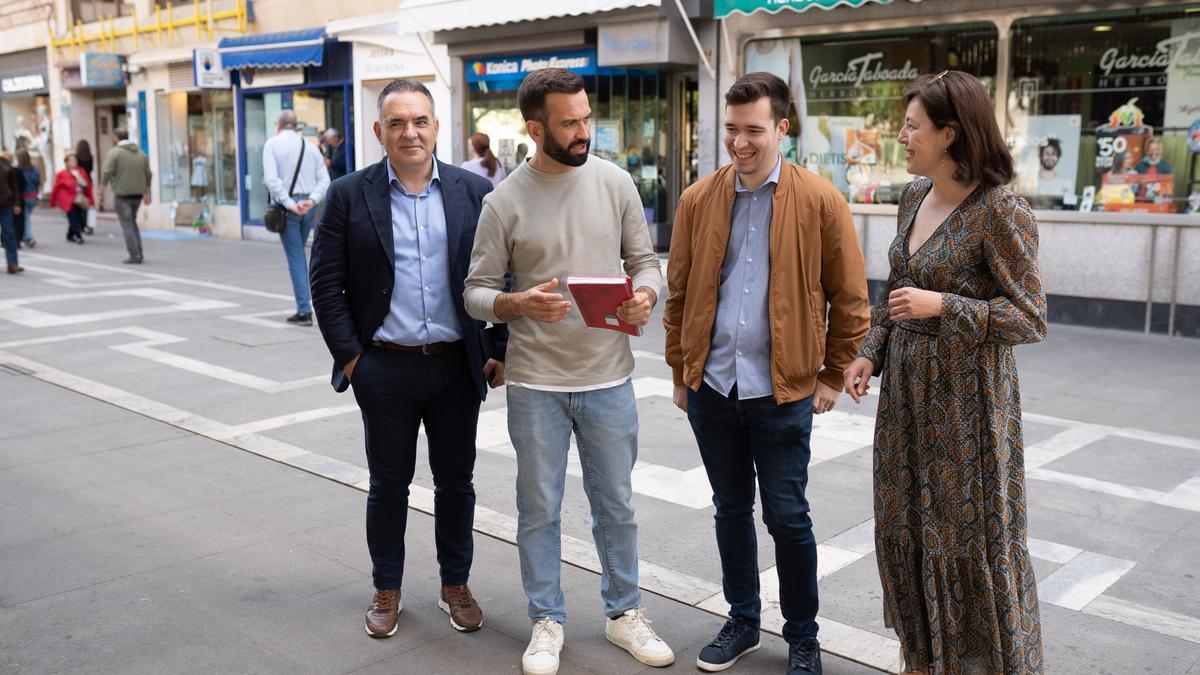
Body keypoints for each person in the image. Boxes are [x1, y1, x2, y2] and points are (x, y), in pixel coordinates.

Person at [464, 67, 673, 675]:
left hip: (609, 376)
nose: (584, 131)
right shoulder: (502, 202)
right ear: (535, 128)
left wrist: (646, 296)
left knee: (618, 507)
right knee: (540, 509)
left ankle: (623, 614)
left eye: (587, 118)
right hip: (535, 385)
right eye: (570, 122)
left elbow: (647, 263)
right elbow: (475, 291)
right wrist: (514, 304)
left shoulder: (615, 182)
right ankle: (546, 620)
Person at [664, 72, 870, 675]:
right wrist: (682, 372)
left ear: (782, 127)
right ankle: (743, 620)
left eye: (753, 130)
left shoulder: (821, 200)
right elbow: (680, 295)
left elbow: (851, 298)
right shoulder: (698, 199)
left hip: (783, 390)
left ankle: (803, 634)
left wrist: (831, 377)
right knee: (729, 508)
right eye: (731, 129)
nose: (740, 142)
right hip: (714, 386)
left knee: (787, 516)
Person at [843, 70, 1046, 674]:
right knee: (905, 528)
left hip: (968, 409)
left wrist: (947, 307)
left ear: (950, 133)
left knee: (967, 542)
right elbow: (898, 289)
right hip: (905, 399)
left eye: (912, 126)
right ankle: (922, 658)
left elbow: (1031, 317)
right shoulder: (913, 196)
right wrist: (869, 351)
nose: (901, 136)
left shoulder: (999, 210)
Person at [310, 78, 506, 642]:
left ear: (436, 127)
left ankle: (456, 586)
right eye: (396, 123)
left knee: (456, 484)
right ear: (379, 131)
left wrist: (496, 348)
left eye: (419, 121)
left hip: (454, 367)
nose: (409, 132)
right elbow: (327, 285)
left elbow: (499, 275)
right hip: (384, 367)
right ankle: (387, 588)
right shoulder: (349, 193)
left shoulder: (473, 192)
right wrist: (352, 361)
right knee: (388, 485)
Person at [262, 110, 330, 326]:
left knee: (296, 258)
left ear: (278, 124)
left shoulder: (272, 145)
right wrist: (311, 201)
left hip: (289, 208)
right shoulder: (310, 147)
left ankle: (304, 310)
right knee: (300, 255)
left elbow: (272, 181)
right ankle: (307, 306)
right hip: (308, 208)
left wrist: (292, 204)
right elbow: (324, 180)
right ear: (295, 126)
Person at [100, 128, 153, 264]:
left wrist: (101, 192)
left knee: (127, 224)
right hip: (137, 195)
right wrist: (147, 193)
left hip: (122, 195)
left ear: (116, 138)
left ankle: (134, 254)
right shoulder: (140, 153)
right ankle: (139, 252)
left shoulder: (114, 153)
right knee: (132, 222)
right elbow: (148, 174)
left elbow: (106, 172)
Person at [51, 152, 93, 245]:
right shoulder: (62, 174)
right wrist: (53, 201)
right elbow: (56, 188)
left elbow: (88, 186)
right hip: (68, 199)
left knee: (79, 217)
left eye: (75, 160)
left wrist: (91, 199)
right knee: (73, 217)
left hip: (80, 198)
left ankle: (70, 235)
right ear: (67, 163)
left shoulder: (81, 171)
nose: (75, 162)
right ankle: (78, 236)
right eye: (72, 160)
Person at [0, 152, 24, 274]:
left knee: (9, 233)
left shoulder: (5, 164)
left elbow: (14, 186)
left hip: (6, 205)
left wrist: (16, 203)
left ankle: (12, 263)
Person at [16, 149, 39, 248]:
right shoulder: (34, 169)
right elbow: (37, 182)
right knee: (26, 217)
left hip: (24, 197)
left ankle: (28, 237)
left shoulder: (18, 170)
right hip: (33, 196)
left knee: (25, 218)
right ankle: (26, 236)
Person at [74, 140, 95, 235]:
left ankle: (82, 224)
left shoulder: (76, 158)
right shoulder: (90, 157)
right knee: (89, 202)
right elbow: (91, 169)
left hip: (80, 181)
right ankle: (90, 225)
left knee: (80, 203)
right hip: (89, 181)